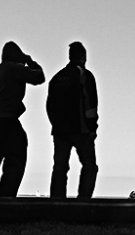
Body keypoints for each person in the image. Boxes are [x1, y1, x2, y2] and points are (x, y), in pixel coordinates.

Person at [0, 41, 44, 197]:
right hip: (7, 121)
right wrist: (30, 61)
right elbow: (39, 77)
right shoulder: (14, 68)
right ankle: (4, 200)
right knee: (16, 159)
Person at [47, 41, 99, 199]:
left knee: (60, 168)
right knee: (89, 166)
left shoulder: (57, 77)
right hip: (81, 129)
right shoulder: (85, 75)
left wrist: (55, 124)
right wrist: (92, 129)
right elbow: (91, 105)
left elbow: (49, 106)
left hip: (60, 130)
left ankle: (57, 203)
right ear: (84, 57)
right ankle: (83, 201)